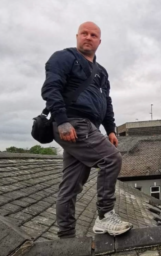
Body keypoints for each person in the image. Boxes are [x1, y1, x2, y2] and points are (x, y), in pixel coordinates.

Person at [41, 22, 132, 238]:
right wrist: (62, 121)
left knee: (71, 184)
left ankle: (66, 236)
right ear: (77, 36)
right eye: (84, 33)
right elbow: (51, 88)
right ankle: (104, 216)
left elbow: (106, 101)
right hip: (73, 122)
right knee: (112, 159)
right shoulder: (64, 58)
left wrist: (110, 129)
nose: (88, 37)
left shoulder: (101, 72)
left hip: (89, 126)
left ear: (99, 41)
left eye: (93, 35)